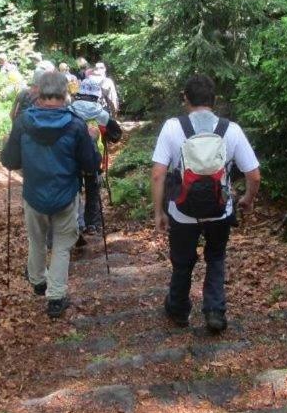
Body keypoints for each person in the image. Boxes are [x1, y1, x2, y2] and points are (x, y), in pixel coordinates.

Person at [150, 74, 260, 333]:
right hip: (220, 210)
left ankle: (178, 308)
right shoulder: (230, 129)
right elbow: (254, 174)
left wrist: (159, 211)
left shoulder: (173, 127)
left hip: (181, 209)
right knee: (216, 257)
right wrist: (246, 199)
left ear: (185, 99)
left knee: (182, 260)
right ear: (214, 100)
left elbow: (158, 174)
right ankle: (214, 311)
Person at [2, 70, 101, 318]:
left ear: (38, 92)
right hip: (65, 195)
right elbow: (90, 165)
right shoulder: (76, 125)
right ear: (65, 93)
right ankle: (56, 297)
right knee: (62, 246)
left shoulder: (23, 122)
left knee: (36, 239)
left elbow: (10, 160)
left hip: (34, 193)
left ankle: (37, 280)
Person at [70, 84, 123, 235]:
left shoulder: (69, 110)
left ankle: (77, 224)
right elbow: (116, 135)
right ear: (96, 96)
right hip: (94, 157)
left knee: (75, 190)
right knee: (93, 188)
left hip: (72, 158)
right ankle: (92, 223)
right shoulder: (101, 114)